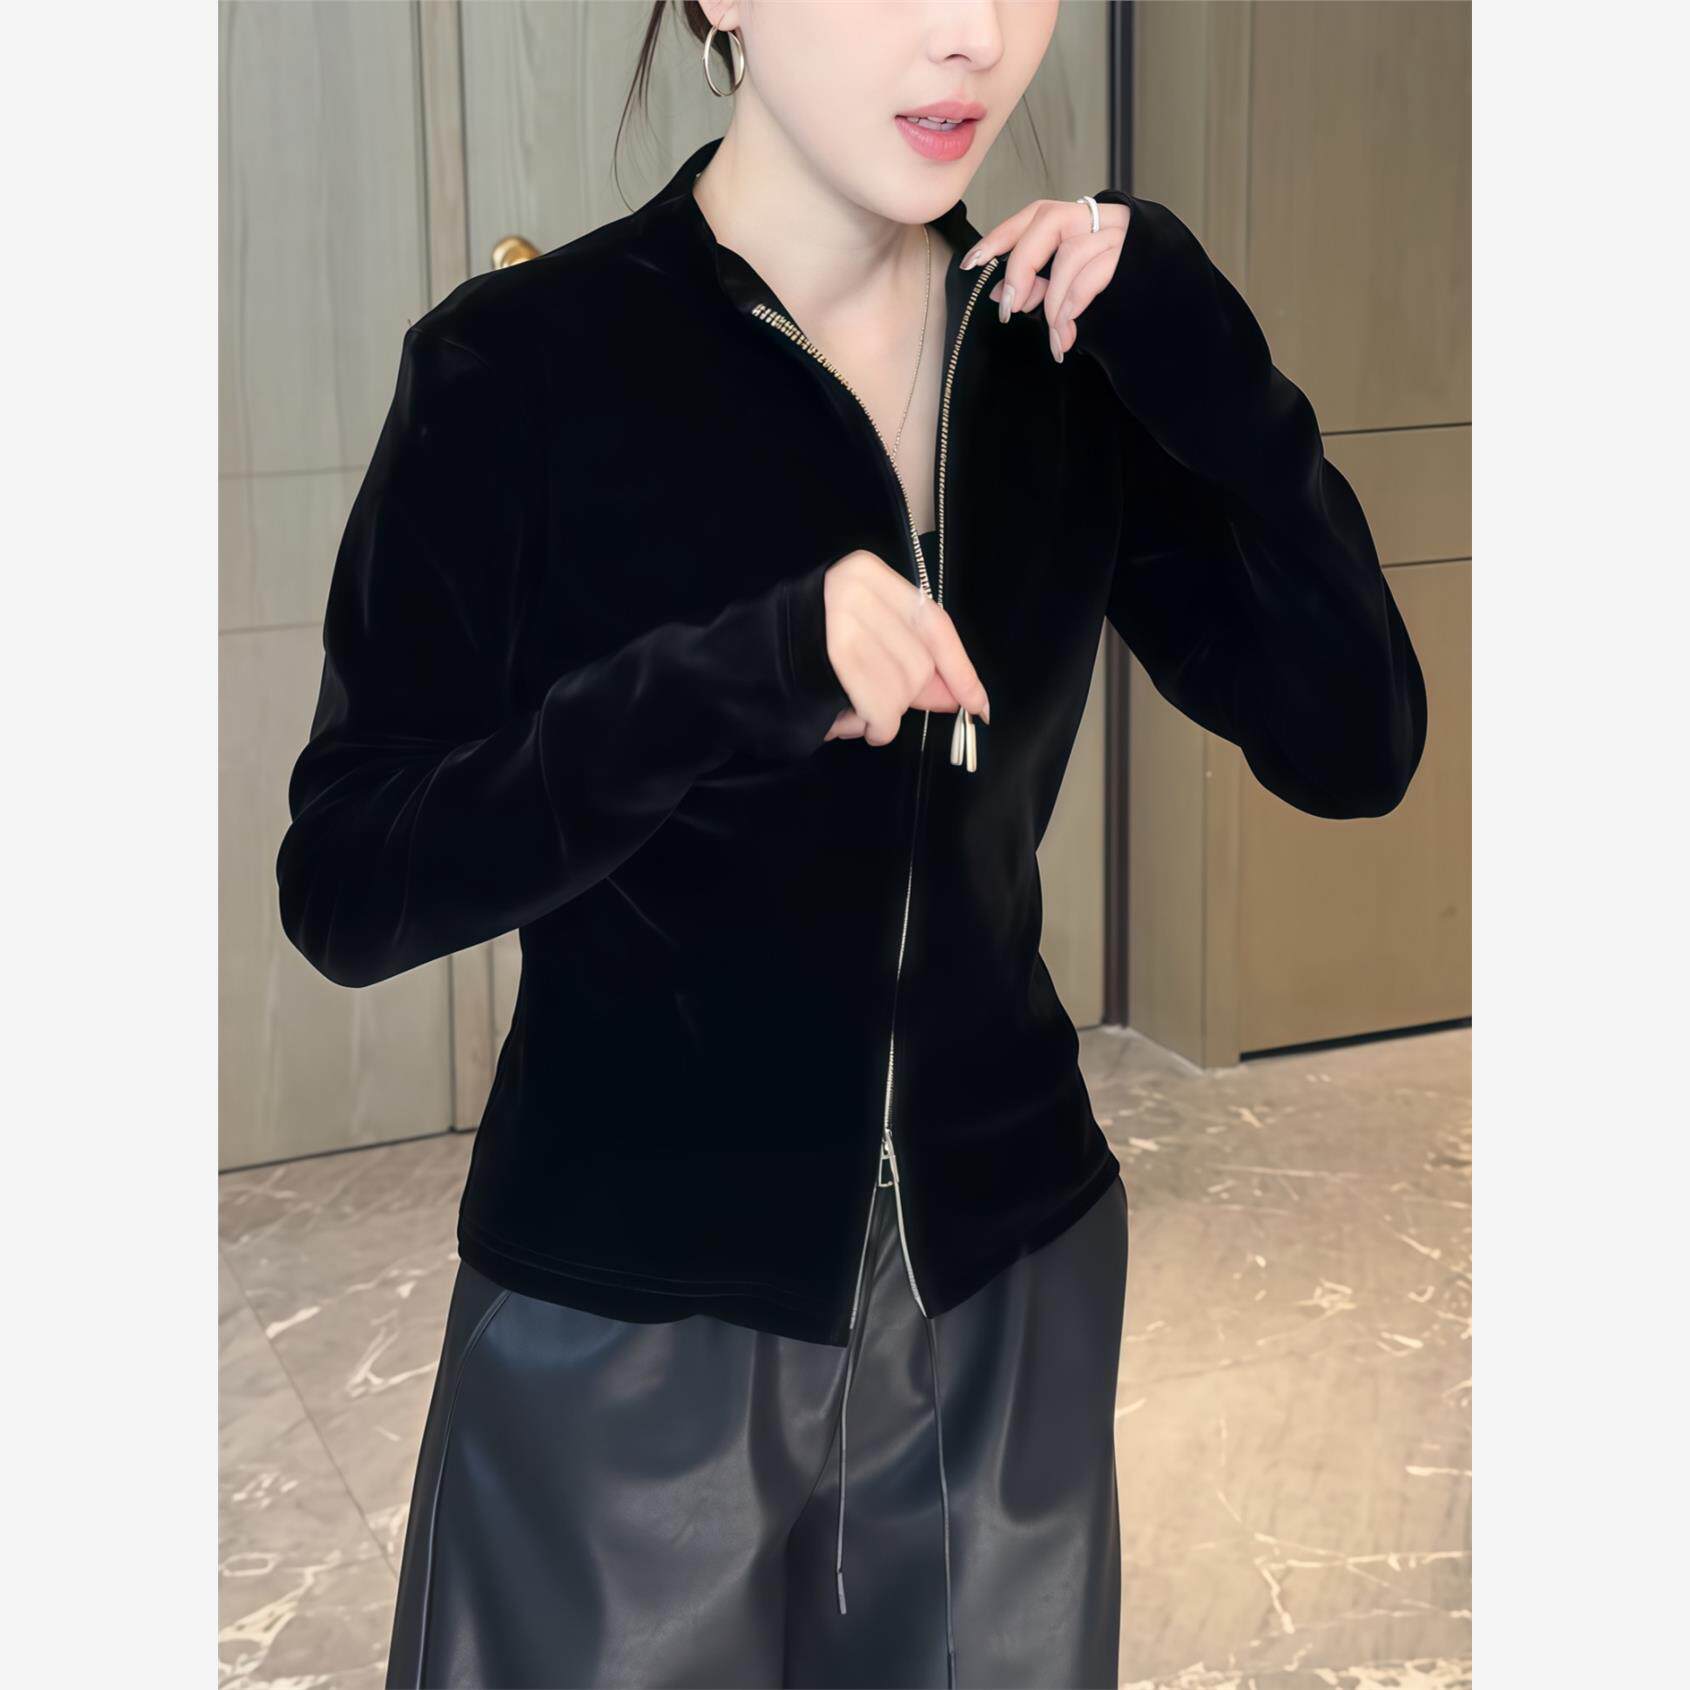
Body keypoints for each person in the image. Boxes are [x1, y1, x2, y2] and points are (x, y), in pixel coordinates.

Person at [275, 2, 1427, 1685]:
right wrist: (714, 684)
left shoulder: (1062, 362)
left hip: (1000, 1301)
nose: (972, 36)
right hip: (625, 1315)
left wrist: (1211, 362)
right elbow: (348, 882)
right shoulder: (519, 365)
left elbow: (1355, 745)